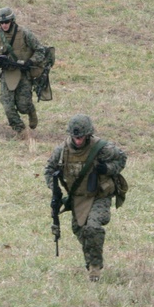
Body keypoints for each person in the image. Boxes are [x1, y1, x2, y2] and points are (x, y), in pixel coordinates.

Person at [44, 115, 127, 282]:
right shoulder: (62, 151)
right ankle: (90, 262)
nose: (78, 141)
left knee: (93, 227)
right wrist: (55, 190)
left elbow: (121, 158)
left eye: (81, 137)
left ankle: (95, 268)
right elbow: (49, 170)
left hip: (99, 196)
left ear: (88, 135)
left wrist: (107, 169)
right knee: (81, 232)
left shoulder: (102, 148)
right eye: (75, 137)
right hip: (78, 199)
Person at [0, 7, 47, 133]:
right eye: (1, 23)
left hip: (23, 74)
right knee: (7, 106)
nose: (4, 25)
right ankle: (20, 130)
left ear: (12, 21)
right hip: (7, 74)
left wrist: (30, 61)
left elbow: (41, 50)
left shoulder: (24, 33)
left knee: (23, 106)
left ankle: (31, 111)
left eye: (6, 22)